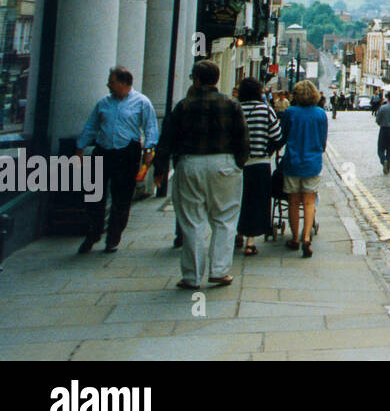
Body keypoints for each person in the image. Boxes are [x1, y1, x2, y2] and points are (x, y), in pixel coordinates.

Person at [154, 60, 249, 288]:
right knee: (225, 219)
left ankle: (192, 276)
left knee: (192, 221)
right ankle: (219, 270)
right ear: (216, 79)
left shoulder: (183, 106)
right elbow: (243, 138)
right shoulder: (231, 104)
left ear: (196, 80)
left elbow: (167, 139)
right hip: (224, 163)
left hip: (190, 163)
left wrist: (160, 169)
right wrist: (238, 163)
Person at [75, 66, 159, 255]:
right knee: (94, 194)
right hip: (103, 150)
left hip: (126, 153)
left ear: (123, 83)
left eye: (111, 82)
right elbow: (91, 126)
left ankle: (113, 238)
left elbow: (151, 128)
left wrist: (149, 151)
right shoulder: (103, 103)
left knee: (121, 198)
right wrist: (79, 148)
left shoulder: (141, 102)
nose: (108, 85)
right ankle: (93, 232)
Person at [278, 80, 328, 258]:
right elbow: (323, 142)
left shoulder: (290, 112)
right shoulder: (321, 114)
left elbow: (282, 136)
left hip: (292, 161)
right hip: (312, 163)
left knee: (293, 202)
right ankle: (306, 237)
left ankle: (294, 238)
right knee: (308, 202)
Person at [236, 77, 281, 256]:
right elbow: (277, 136)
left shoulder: (235, 109)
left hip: (238, 164)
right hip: (259, 164)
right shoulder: (265, 110)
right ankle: (250, 242)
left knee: (238, 200)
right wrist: (267, 151)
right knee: (256, 202)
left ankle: (237, 233)